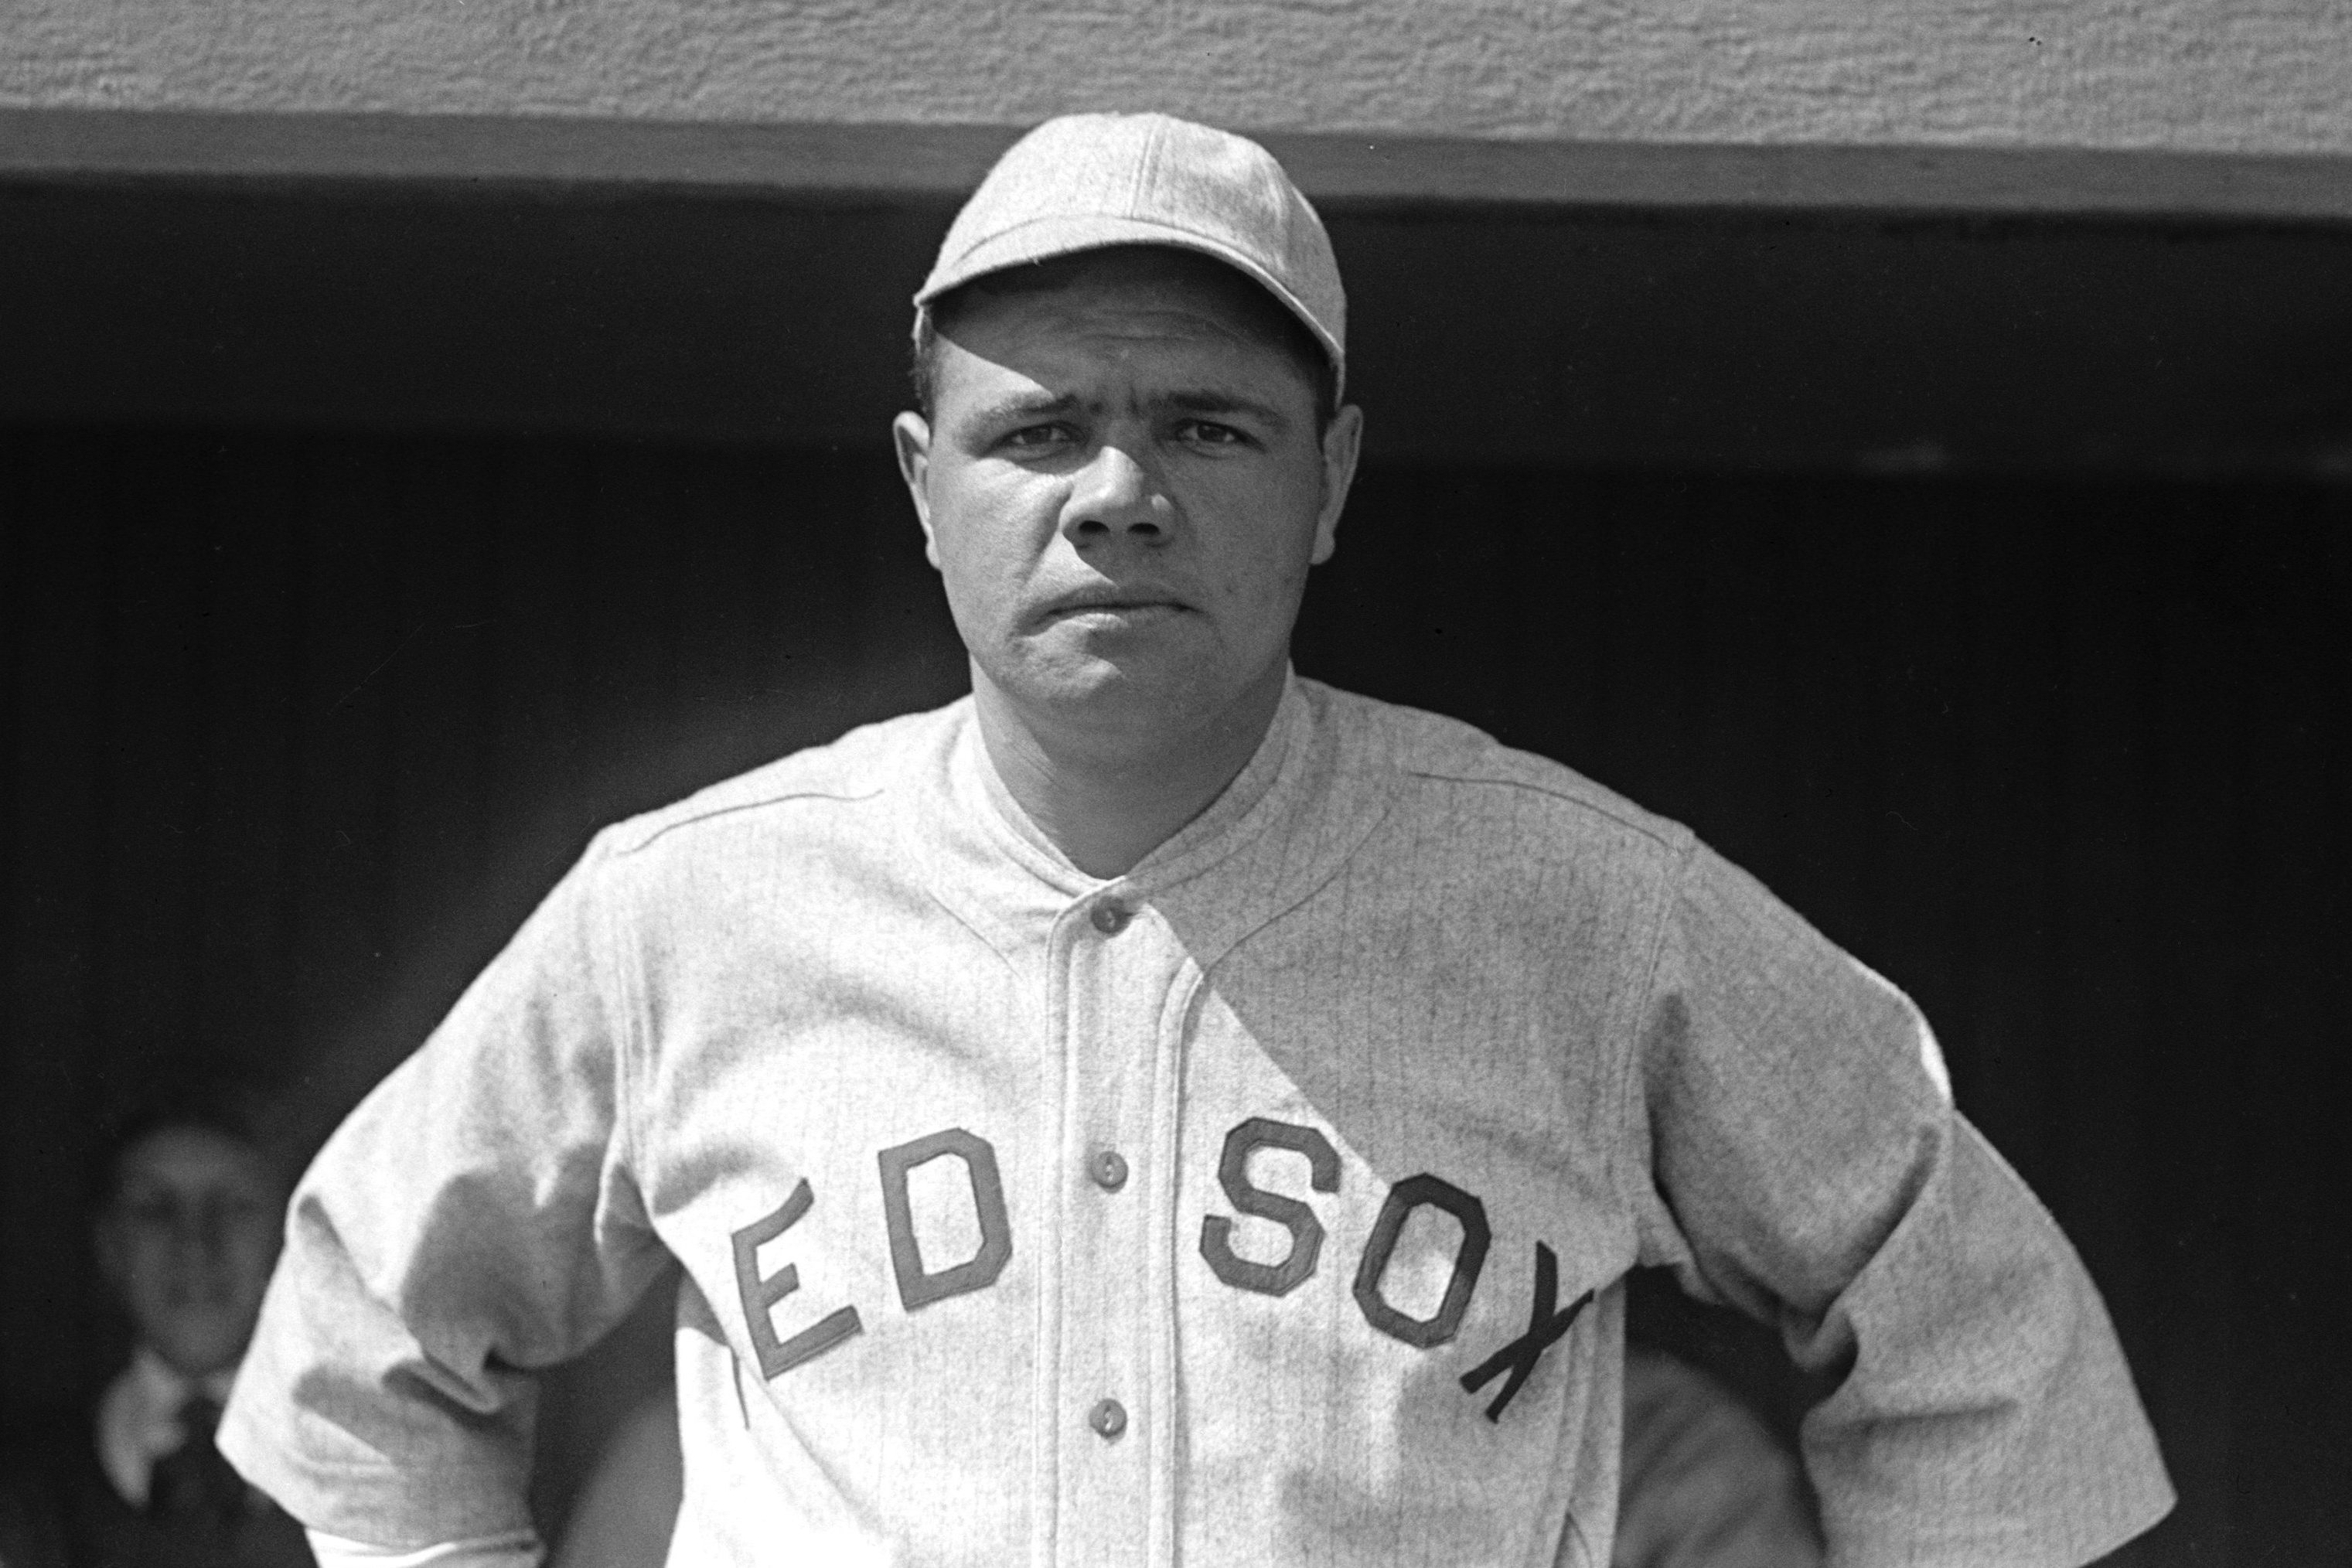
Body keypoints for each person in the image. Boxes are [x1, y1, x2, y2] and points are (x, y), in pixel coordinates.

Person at [218, 111, 2175, 1566]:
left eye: (1208, 427)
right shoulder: (694, 907)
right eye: (1036, 430)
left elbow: (1973, 1326)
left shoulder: (1584, 906)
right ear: (922, 484)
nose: (1117, 494)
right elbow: (366, 1340)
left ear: (1329, 479)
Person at [0, 1091, 311, 1568]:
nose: (195, 1245)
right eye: (154, 1208)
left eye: (233, 1206)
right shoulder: (22, 1489)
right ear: (109, 1244)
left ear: (288, 1234)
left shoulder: (367, 1473)